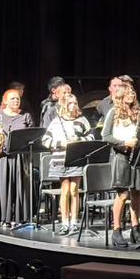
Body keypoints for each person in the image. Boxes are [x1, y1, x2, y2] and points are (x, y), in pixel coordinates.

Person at [102, 83, 140, 249]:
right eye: (128, 92)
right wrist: (124, 143)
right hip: (120, 156)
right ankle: (117, 230)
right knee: (122, 194)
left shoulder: (138, 111)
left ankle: (135, 229)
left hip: (136, 156)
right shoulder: (113, 112)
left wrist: (137, 126)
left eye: (133, 92)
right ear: (120, 94)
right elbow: (105, 136)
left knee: (137, 193)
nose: (131, 94)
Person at [0, 89, 35, 228]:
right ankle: (4, 217)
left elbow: (32, 136)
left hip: (19, 158)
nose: (16, 101)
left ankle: (20, 217)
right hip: (2, 158)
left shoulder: (26, 116)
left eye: (18, 98)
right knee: (3, 187)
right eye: (12, 98)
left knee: (19, 187)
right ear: (5, 101)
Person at [43, 93, 92, 235]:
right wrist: (60, 143)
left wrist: (79, 139)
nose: (73, 106)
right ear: (64, 105)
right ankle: (64, 222)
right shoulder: (56, 122)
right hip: (60, 159)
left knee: (74, 190)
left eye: (75, 103)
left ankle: (74, 222)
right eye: (70, 103)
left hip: (77, 158)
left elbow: (91, 136)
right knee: (65, 190)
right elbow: (45, 140)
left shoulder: (82, 120)